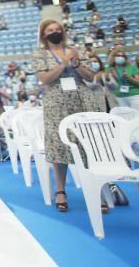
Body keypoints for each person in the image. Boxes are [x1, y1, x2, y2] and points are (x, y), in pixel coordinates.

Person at [31, 19, 101, 213]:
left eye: (57, 29)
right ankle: (61, 190)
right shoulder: (40, 54)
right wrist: (63, 62)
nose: (55, 32)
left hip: (82, 99)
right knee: (58, 145)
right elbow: (44, 79)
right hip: (56, 103)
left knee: (89, 144)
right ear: (44, 35)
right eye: (50, 30)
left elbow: (90, 77)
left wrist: (76, 62)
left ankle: (97, 189)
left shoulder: (75, 49)